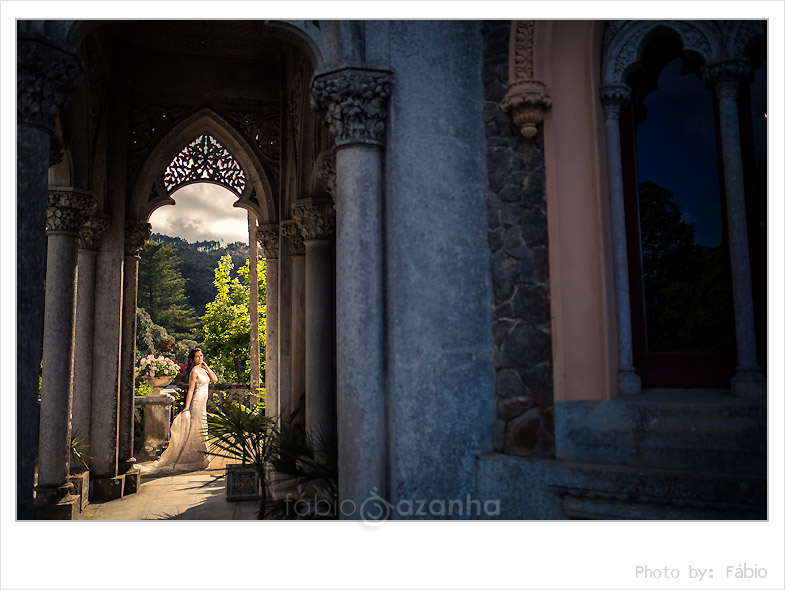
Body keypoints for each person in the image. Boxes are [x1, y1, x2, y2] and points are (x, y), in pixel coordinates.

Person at [134, 348, 218, 476]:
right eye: (197, 357)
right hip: (197, 402)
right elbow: (190, 391)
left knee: (202, 427)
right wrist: (187, 407)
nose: (200, 358)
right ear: (192, 359)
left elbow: (214, 379)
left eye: (201, 356)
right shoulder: (194, 372)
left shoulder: (203, 370)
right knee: (195, 428)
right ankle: (193, 457)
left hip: (203, 403)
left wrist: (206, 366)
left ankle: (202, 456)